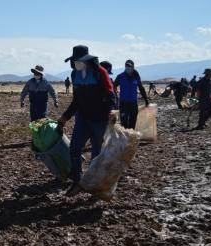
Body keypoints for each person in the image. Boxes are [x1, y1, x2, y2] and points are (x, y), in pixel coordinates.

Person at [57, 45, 115, 196]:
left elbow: (110, 95)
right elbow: (76, 100)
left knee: (97, 153)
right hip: (83, 118)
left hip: (99, 120)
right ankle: (78, 182)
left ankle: (96, 185)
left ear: (86, 60)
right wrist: (64, 117)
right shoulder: (74, 75)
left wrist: (110, 113)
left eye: (77, 60)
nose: (75, 63)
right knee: (74, 148)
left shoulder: (99, 72)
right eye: (74, 61)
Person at [113, 60, 149, 129]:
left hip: (133, 103)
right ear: (125, 67)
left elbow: (141, 88)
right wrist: (115, 98)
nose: (128, 68)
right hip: (123, 103)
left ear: (133, 67)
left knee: (132, 122)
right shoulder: (120, 76)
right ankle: (125, 138)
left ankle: (131, 137)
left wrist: (146, 100)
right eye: (127, 66)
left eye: (130, 66)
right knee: (124, 123)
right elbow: (113, 87)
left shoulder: (136, 76)